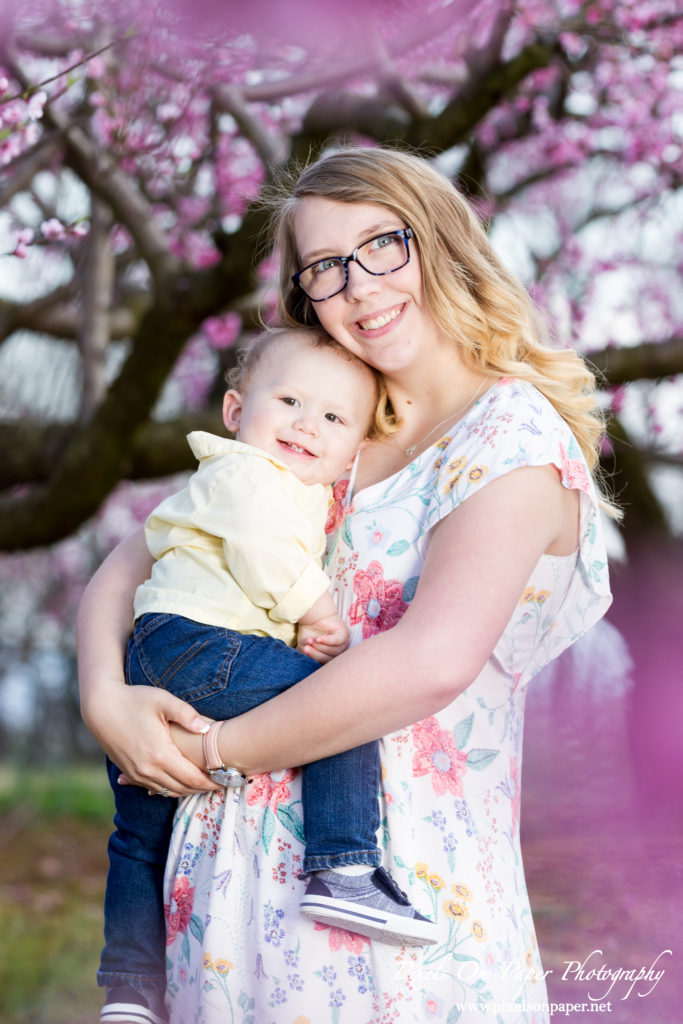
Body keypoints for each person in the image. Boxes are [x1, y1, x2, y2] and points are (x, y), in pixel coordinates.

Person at [78, 146, 615, 1024]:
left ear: (440, 240)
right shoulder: (322, 432)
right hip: (218, 895)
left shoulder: (510, 439)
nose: (359, 286)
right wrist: (108, 701)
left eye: (382, 245)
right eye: (324, 267)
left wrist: (208, 754)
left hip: (392, 911)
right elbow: (128, 566)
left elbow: (430, 661)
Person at [98, 326, 437, 1024]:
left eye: (333, 418)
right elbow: (261, 545)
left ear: (354, 448)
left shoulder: (252, 481)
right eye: (288, 400)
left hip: (162, 652)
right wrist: (315, 611)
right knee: (341, 703)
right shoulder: (245, 474)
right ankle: (342, 864)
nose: (306, 424)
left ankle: (130, 989)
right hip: (202, 642)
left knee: (138, 835)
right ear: (233, 411)